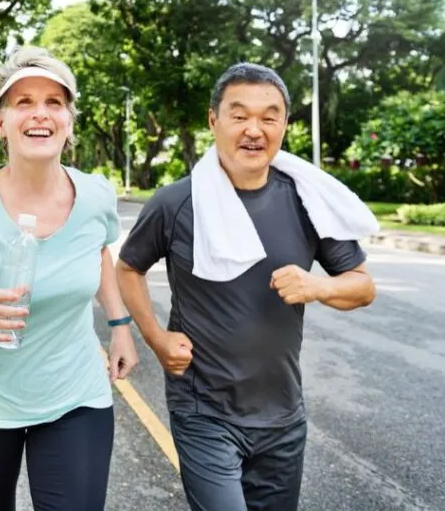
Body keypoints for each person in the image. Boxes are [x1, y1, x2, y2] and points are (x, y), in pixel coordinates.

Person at [116, 62, 378, 511]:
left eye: (269, 116)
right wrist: (156, 339)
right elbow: (128, 268)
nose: (254, 129)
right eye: (239, 115)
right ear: (213, 120)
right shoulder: (175, 203)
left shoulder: (307, 200)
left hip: (283, 415)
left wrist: (318, 287)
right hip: (204, 411)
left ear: (284, 125)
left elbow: (363, 286)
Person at [0, 46, 138, 511]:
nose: (40, 114)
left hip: (76, 395)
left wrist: (119, 327)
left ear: (69, 121)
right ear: (1, 122)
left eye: (54, 102)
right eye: (24, 102)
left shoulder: (95, 194)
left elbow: (97, 253)